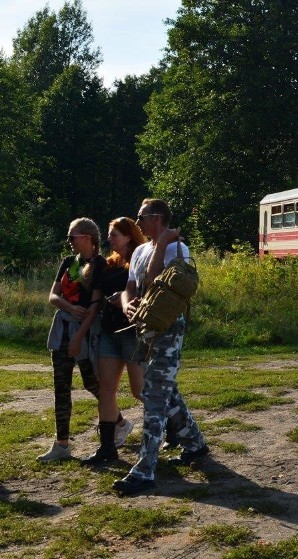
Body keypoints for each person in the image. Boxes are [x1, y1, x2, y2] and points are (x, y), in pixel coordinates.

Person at [112, 198, 208, 496]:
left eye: (141, 217)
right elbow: (131, 287)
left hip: (167, 330)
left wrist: (164, 242)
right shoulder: (140, 250)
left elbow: (154, 282)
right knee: (165, 389)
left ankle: (145, 470)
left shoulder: (178, 249)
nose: (137, 223)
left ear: (158, 218)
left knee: (154, 394)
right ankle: (195, 444)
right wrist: (128, 307)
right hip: (144, 328)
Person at [81, 217, 146, 466]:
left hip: (132, 331)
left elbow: (148, 292)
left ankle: (174, 427)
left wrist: (126, 299)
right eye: (109, 234)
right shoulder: (108, 264)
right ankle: (107, 447)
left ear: (129, 236)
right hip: (109, 331)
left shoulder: (141, 261)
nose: (109, 239)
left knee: (139, 390)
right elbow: (97, 297)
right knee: (106, 389)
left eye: (114, 235)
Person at [39, 218, 105, 461]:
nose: (69, 241)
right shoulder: (68, 262)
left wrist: (79, 335)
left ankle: (116, 421)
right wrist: (68, 306)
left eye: (72, 237)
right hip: (63, 330)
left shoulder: (100, 265)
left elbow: (95, 306)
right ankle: (62, 445)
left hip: (87, 333)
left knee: (92, 383)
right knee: (61, 386)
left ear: (88, 237)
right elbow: (53, 296)